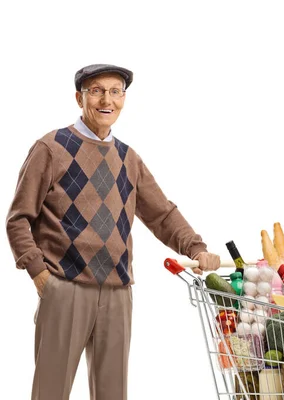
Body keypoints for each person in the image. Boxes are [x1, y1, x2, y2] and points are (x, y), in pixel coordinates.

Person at [5, 64, 220, 400]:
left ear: (124, 99)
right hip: (65, 288)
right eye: (96, 91)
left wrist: (195, 248)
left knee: (112, 394)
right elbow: (18, 219)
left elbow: (162, 213)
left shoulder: (127, 158)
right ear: (79, 98)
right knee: (50, 392)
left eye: (116, 92)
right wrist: (39, 274)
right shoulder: (50, 148)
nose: (107, 100)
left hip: (118, 293)